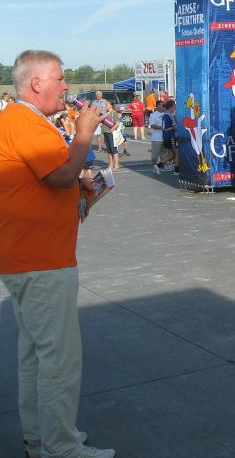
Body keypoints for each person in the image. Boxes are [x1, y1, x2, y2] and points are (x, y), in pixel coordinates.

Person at [0, 50, 116, 458]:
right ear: (37, 83)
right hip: (41, 260)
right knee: (58, 360)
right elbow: (62, 175)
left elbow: (48, 181)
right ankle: (61, 448)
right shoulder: (24, 121)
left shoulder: (20, 121)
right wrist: (84, 133)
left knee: (36, 355)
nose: (67, 86)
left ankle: (40, 439)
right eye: (61, 78)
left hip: (29, 255)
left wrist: (80, 193)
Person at [101, 100, 120, 172]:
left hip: (111, 133)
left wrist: (111, 130)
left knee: (113, 149)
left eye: (107, 104)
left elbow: (117, 123)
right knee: (109, 150)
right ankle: (110, 165)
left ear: (111, 105)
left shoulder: (114, 113)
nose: (105, 105)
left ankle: (116, 165)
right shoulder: (106, 113)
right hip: (105, 132)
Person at [148, 100, 166, 173]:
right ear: (158, 106)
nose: (164, 107)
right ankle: (154, 166)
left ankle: (161, 166)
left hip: (165, 137)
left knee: (164, 154)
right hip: (156, 138)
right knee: (154, 156)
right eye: (162, 105)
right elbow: (152, 125)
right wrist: (161, 127)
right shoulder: (153, 115)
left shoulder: (166, 114)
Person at [161, 100, 177, 171]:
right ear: (171, 107)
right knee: (175, 154)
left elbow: (163, 128)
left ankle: (164, 165)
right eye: (174, 106)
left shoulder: (164, 116)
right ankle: (160, 165)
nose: (175, 108)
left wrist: (168, 129)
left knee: (171, 154)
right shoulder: (170, 116)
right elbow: (176, 128)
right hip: (171, 137)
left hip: (165, 137)